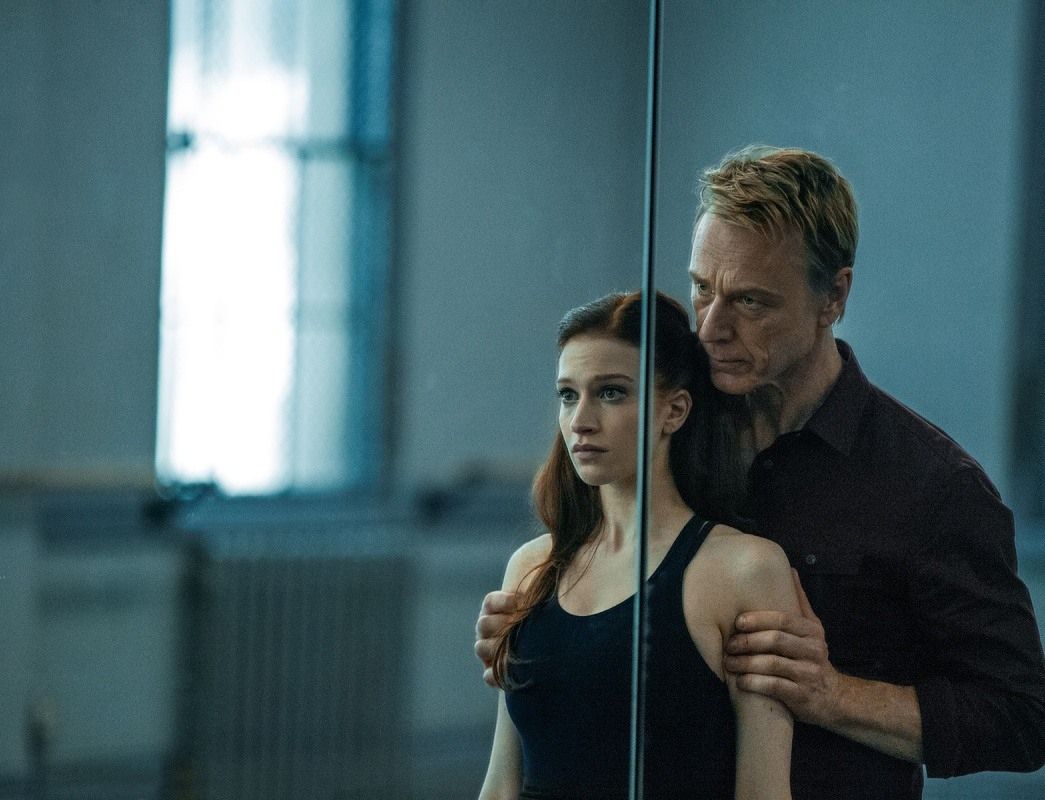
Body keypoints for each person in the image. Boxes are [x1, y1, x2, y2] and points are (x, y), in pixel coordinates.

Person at [477, 146, 1045, 799]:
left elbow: (1022, 718)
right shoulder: (670, 419)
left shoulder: (931, 486)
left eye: (749, 301)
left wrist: (832, 695)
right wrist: (543, 635)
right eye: (702, 289)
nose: (712, 328)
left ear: (833, 296)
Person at [479, 291, 800, 800]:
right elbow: (501, 783)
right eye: (568, 395)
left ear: (674, 410)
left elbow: (764, 791)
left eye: (611, 393)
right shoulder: (532, 567)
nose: (580, 420)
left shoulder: (742, 569)